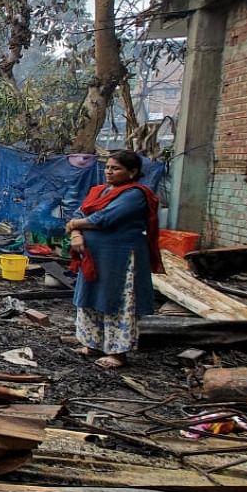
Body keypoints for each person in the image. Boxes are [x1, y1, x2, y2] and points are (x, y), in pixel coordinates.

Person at [65, 151, 163, 370]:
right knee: (90, 297)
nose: (108, 171)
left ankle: (118, 353)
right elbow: (79, 213)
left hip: (119, 257)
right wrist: (75, 233)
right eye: (107, 167)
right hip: (94, 256)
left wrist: (75, 225)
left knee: (118, 301)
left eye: (115, 168)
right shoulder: (99, 191)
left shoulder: (136, 194)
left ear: (133, 172)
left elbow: (105, 218)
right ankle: (92, 344)